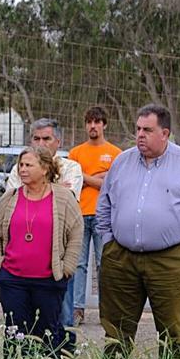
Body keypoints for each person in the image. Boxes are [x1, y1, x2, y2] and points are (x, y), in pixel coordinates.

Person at [96, 103, 180, 359]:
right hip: (121, 258)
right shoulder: (122, 162)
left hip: (171, 260)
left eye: (148, 130)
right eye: (138, 129)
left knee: (172, 332)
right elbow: (104, 205)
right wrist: (107, 241)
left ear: (165, 133)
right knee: (116, 330)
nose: (140, 135)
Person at [0, 147, 83, 359]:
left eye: (29, 165)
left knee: (49, 336)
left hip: (49, 281)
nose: (22, 169)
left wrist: (67, 267)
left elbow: (76, 232)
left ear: (45, 168)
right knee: (15, 336)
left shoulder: (64, 198)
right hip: (13, 280)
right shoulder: (11, 197)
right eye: (21, 165)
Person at [4, 117, 84, 349]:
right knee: (20, 326)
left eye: (46, 139)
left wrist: (67, 267)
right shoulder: (19, 167)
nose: (41, 143)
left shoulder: (72, 167)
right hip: (19, 267)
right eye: (36, 139)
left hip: (55, 266)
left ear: (58, 141)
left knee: (61, 320)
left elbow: (69, 202)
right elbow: (10, 199)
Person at [68, 106, 121, 325]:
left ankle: (106, 310)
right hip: (79, 214)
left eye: (97, 122)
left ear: (104, 125)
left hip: (103, 216)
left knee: (104, 263)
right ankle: (77, 309)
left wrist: (85, 176)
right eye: (89, 122)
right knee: (78, 264)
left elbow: (113, 184)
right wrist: (98, 177)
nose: (93, 126)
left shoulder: (116, 153)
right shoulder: (75, 153)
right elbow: (71, 182)